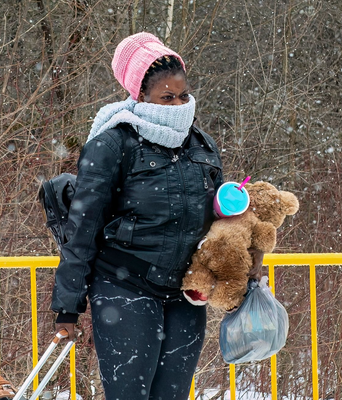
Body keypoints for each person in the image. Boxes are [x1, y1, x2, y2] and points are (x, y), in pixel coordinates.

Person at [49, 32, 263, 399]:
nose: (178, 104)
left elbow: (221, 223)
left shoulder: (202, 145)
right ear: (140, 96)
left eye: (183, 95)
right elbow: (81, 230)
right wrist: (68, 306)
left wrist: (243, 258)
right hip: (124, 288)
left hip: (185, 294)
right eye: (167, 97)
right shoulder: (113, 144)